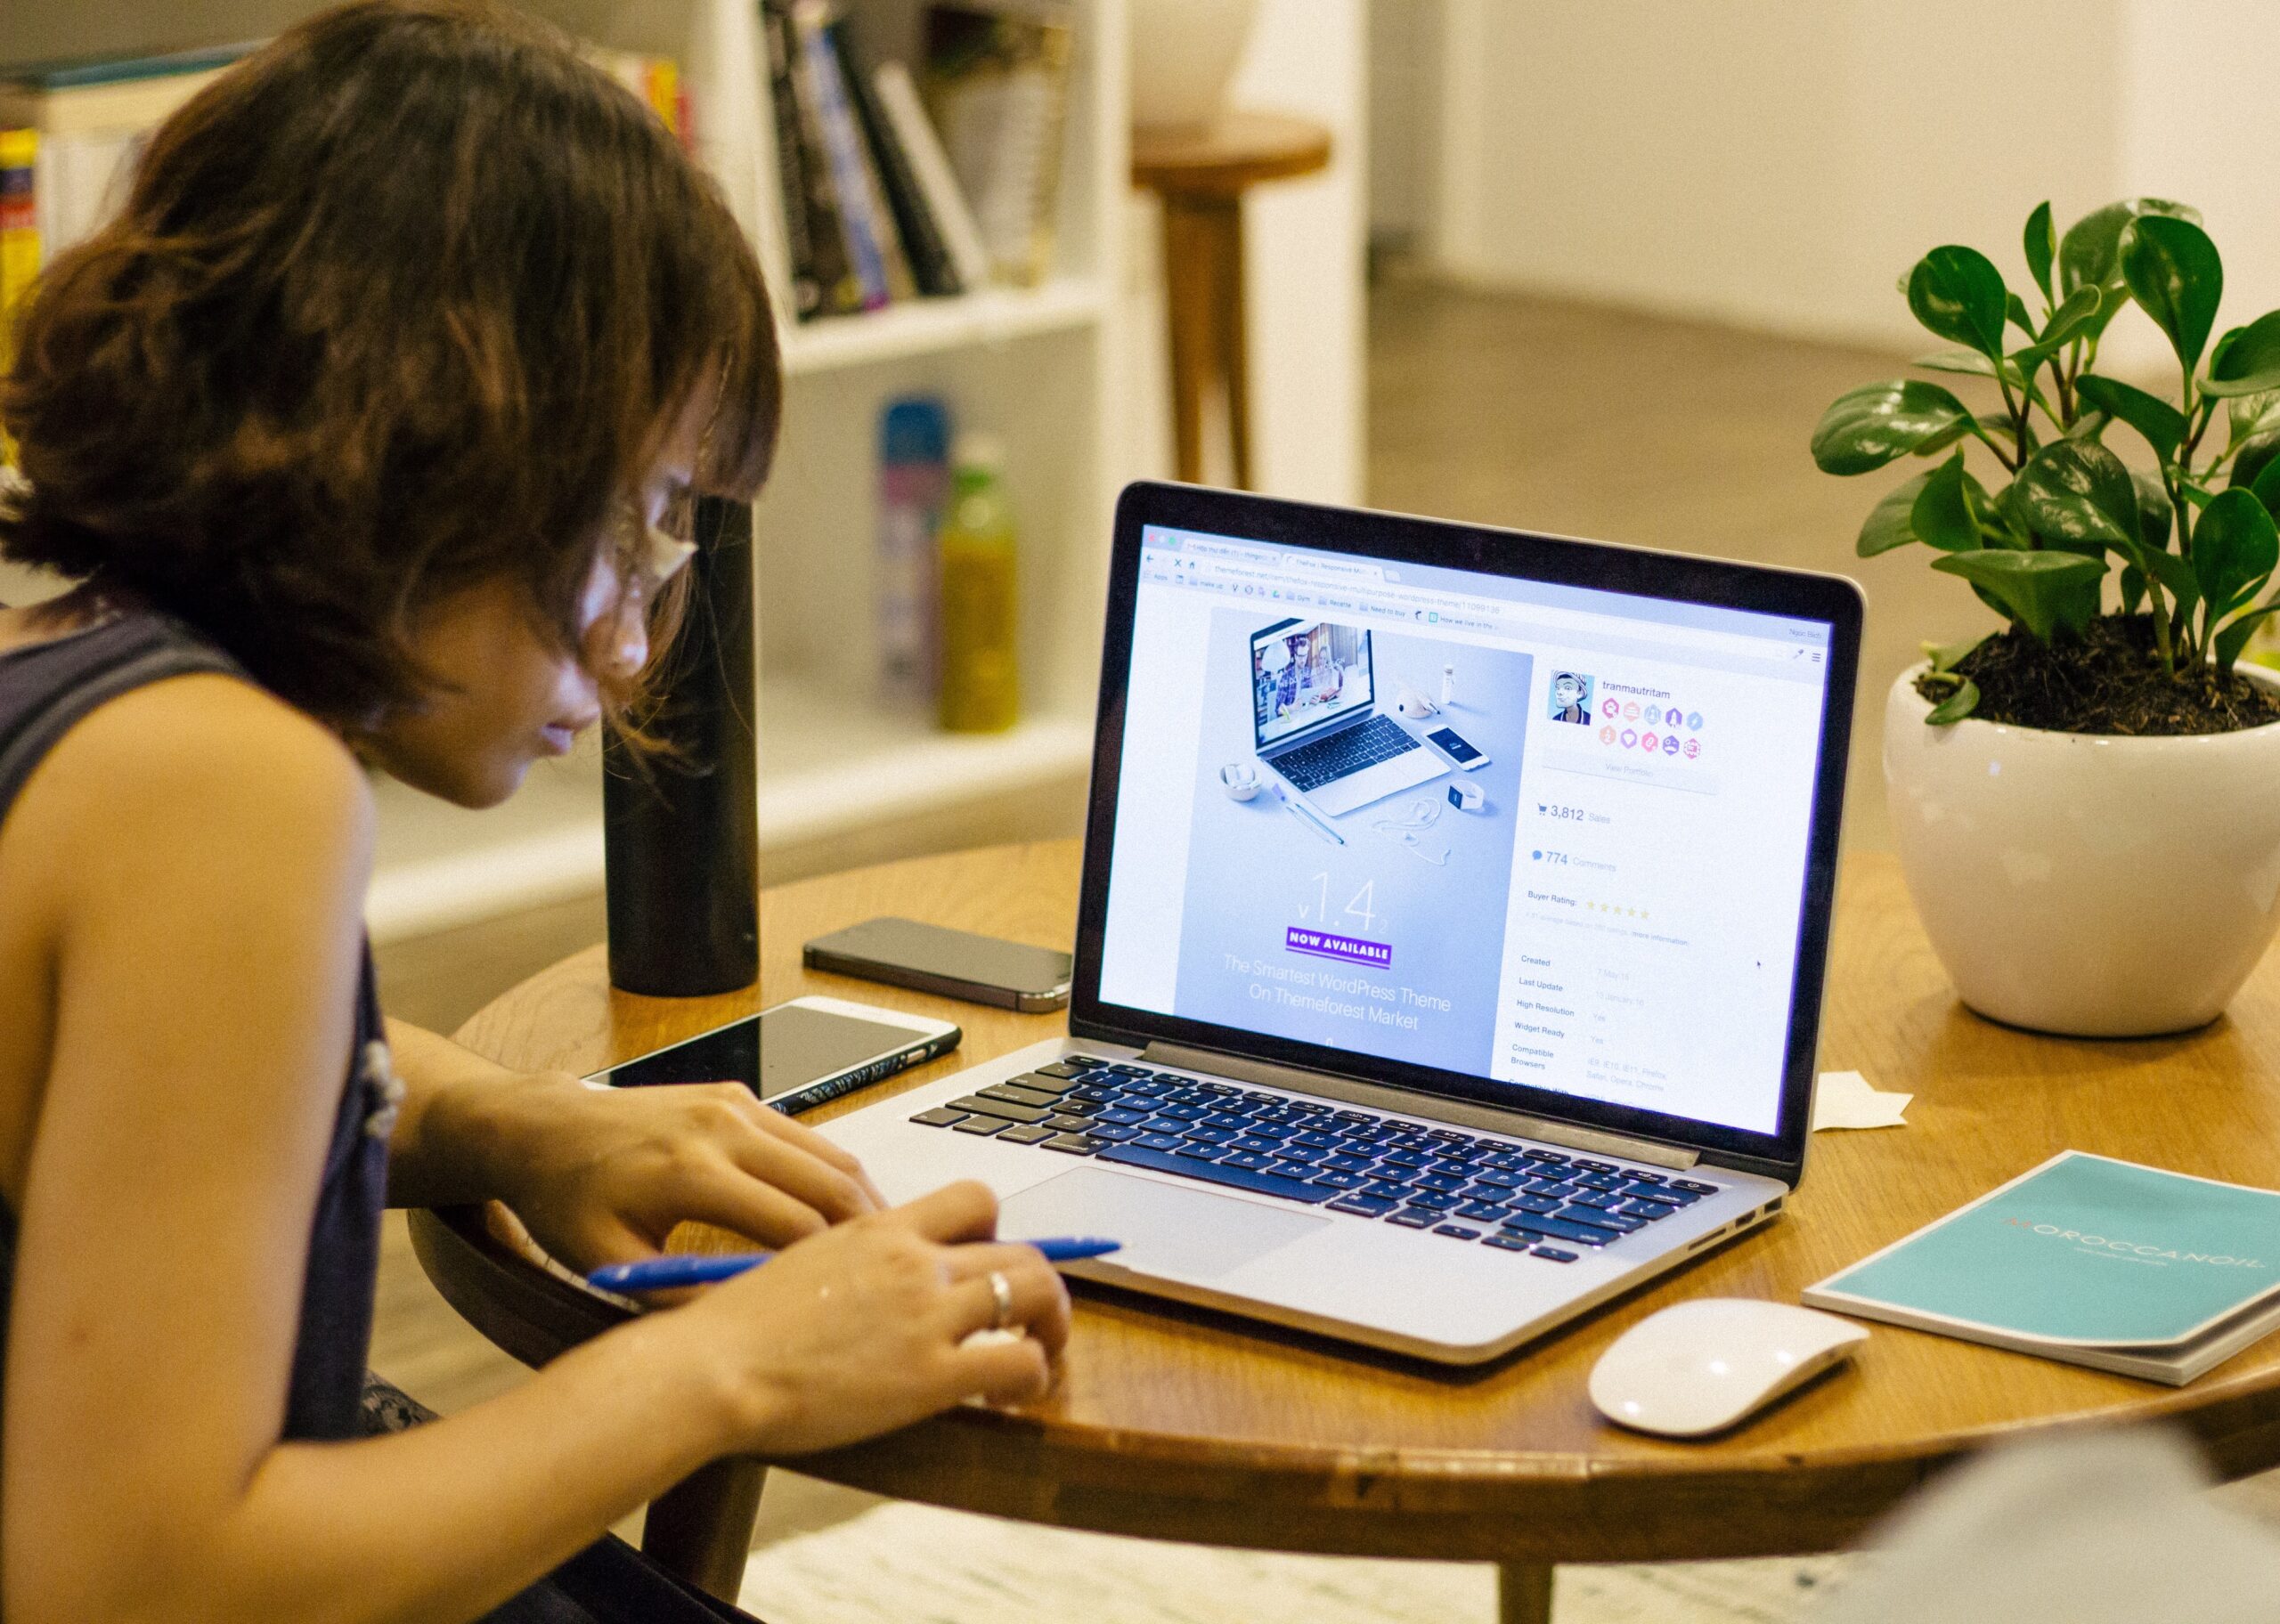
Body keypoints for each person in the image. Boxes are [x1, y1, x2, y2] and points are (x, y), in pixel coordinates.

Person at [0, 5, 1069, 1621]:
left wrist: (515, 1120)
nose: (640, 641)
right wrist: (734, 1367)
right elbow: (136, 1580)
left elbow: (154, 1084)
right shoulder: (228, 791)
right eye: (632, 525)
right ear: (447, 441)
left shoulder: (67, 656)